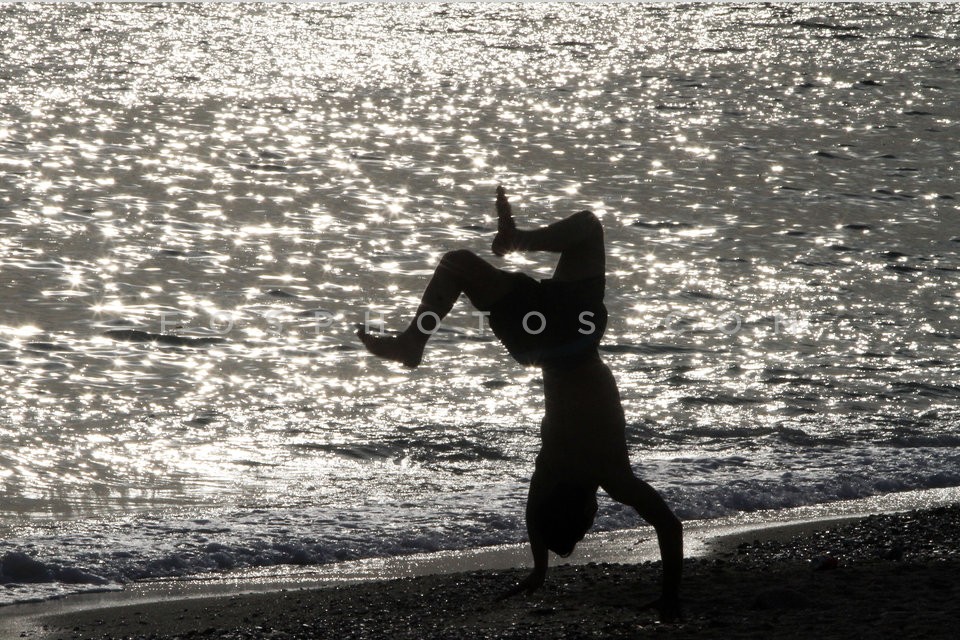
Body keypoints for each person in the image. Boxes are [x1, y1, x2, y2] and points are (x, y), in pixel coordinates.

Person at [358, 187, 682, 620]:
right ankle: (418, 337)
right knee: (458, 264)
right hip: (551, 340)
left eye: (588, 516)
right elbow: (536, 512)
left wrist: (541, 571)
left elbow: (669, 526)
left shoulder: (605, 474)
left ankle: (422, 334)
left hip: (577, 336)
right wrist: (539, 567)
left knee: (586, 228)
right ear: (556, 501)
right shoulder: (555, 467)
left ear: (584, 507)